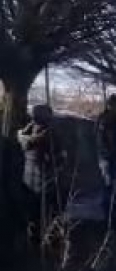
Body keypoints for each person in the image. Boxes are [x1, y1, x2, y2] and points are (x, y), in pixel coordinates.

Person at [18, 104, 66, 244]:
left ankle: (32, 237)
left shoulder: (25, 133)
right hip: (44, 178)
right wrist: (59, 163)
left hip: (27, 178)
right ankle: (42, 241)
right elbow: (59, 157)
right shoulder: (49, 134)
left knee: (32, 212)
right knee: (45, 212)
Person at [96, 94, 116, 228]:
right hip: (109, 157)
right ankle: (110, 220)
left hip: (108, 156)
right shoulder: (109, 119)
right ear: (113, 105)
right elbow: (110, 140)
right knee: (109, 187)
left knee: (110, 187)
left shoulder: (107, 117)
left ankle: (110, 217)